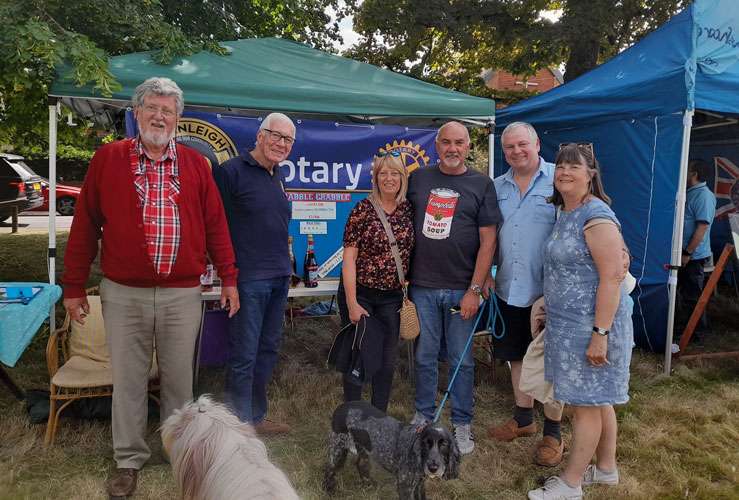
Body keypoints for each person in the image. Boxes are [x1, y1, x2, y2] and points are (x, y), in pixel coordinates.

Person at [62, 77, 240, 498]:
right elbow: (85, 224)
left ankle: (180, 453)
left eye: (168, 110)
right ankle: (128, 459)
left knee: (180, 380)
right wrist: (73, 286)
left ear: (178, 118)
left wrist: (229, 276)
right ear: (137, 112)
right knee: (129, 379)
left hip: (182, 293)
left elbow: (216, 224)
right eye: (152, 108)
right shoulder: (108, 158)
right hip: (123, 292)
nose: (160, 117)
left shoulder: (195, 165)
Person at [528, 143, 633, 500]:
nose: (565, 172)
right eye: (560, 166)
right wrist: (547, 302)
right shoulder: (567, 211)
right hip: (568, 323)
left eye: (574, 166)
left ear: (591, 174)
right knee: (599, 400)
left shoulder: (596, 215)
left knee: (584, 407)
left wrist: (600, 334)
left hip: (590, 326)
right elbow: (570, 270)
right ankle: (605, 469)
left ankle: (570, 484)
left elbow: (612, 277)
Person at [407, 121, 501, 455]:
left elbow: (489, 240)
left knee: (461, 359)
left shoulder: (481, 183)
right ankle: (423, 415)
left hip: (462, 288)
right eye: (446, 142)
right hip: (423, 285)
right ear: (437, 145)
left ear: (468, 146)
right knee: (425, 355)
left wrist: (474, 289)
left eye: (459, 142)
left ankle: (462, 423)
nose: (452, 148)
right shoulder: (418, 179)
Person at [487, 122, 566, 467]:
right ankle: (523, 419)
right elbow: (490, 235)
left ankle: (553, 432)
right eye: (509, 147)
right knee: (516, 354)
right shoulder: (496, 186)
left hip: (548, 292)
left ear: (536, 144)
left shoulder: (559, 179)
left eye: (522, 144)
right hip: (509, 286)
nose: (516, 151)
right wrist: (487, 274)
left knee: (552, 361)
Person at [213, 113, 295, 435]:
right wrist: (227, 277)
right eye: (276, 136)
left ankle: (256, 417)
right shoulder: (230, 172)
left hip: (279, 276)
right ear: (260, 135)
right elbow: (216, 227)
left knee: (267, 350)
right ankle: (238, 425)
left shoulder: (278, 175)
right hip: (247, 279)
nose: (281, 144)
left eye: (288, 140)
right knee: (244, 355)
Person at [337, 151, 414, 411]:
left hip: (392, 297)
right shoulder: (362, 210)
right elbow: (349, 259)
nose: (389, 178)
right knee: (358, 356)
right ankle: (352, 416)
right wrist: (352, 303)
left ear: (403, 178)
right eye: (384, 173)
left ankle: (379, 416)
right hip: (361, 293)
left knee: (386, 361)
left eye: (395, 173)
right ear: (376, 178)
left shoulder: (408, 209)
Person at [677, 159, 716, 337]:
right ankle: (684, 328)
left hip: (693, 255)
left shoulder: (703, 196)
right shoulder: (690, 192)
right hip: (683, 252)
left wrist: (688, 253)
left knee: (692, 295)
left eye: (687, 169)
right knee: (683, 292)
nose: (683, 172)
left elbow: (702, 227)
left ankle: (697, 333)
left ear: (694, 174)